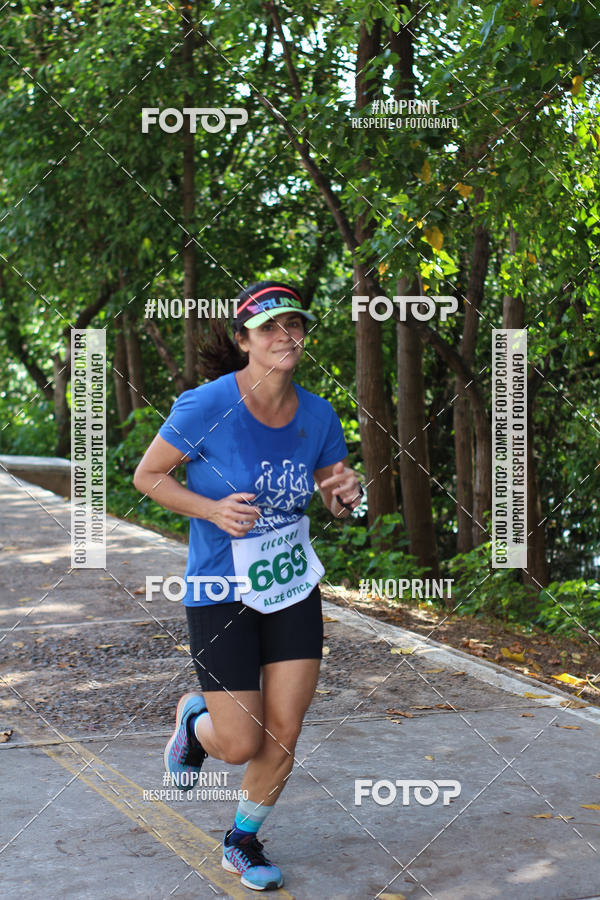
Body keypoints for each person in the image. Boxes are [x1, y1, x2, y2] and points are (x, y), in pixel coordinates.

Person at [133, 280, 362, 891]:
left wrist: (346, 495)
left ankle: (242, 840)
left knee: (285, 728)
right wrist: (210, 509)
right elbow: (148, 476)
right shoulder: (206, 405)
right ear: (244, 341)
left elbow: (334, 491)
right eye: (270, 328)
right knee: (238, 743)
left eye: (295, 325)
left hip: (290, 585)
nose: (286, 336)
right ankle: (194, 723)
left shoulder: (318, 414)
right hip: (221, 588)